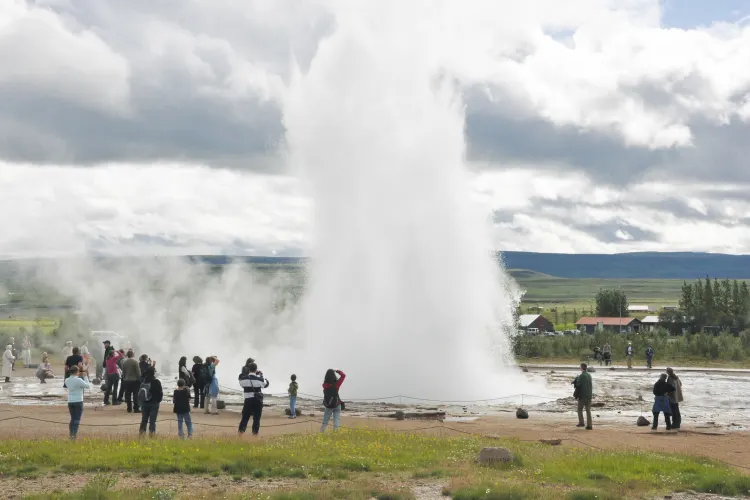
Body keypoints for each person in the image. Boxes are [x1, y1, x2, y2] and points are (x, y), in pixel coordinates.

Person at [238, 362, 269, 435]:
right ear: (256, 369)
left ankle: (240, 434)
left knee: (245, 418)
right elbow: (266, 385)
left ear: (248, 369)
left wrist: (245, 374)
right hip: (257, 401)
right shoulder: (260, 379)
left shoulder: (244, 379)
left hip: (248, 401)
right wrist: (261, 376)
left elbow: (241, 383)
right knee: (256, 419)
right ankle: (255, 434)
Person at [65, 366, 90, 439]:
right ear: (76, 372)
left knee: (73, 418)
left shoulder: (66, 380)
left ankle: (71, 434)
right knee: (77, 419)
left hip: (70, 401)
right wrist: (85, 377)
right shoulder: (78, 380)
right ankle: (74, 435)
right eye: (78, 371)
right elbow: (87, 386)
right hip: (78, 400)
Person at [139, 366, 163, 436]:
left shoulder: (143, 381)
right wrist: (158, 400)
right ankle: (151, 434)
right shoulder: (156, 382)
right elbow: (160, 393)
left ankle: (141, 434)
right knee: (152, 421)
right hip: (154, 403)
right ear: (153, 373)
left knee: (144, 420)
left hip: (144, 403)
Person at [574, 363, 593, 430]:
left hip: (583, 395)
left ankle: (581, 422)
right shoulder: (589, 375)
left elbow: (578, 385)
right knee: (588, 410)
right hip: (589, 395)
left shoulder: (582, 376)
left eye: (580, 367)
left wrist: (575, 381)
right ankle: (589, 425)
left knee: (579, 409)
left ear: (581, 368)